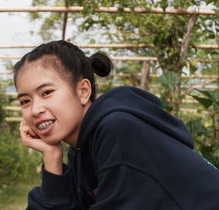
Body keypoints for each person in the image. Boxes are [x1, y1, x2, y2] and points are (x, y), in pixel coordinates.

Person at [14, 40, 219, 210]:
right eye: (25, 101)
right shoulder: (81, 151)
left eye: (46, 93)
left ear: (83, 91)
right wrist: (52, 157)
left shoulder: (119, 130)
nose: (35, 110)